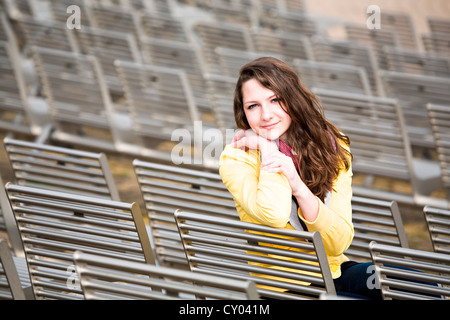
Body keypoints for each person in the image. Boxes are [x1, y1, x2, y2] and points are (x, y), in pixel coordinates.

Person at [219, 56, 379, 299]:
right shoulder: (237, 157)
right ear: (243, 111)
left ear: (292, 99)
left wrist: (298, 186)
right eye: (253, 106)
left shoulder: (331, 146)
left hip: (333, 270)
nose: (266, 115)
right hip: (286, 286)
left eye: (275, 100)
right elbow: (274, 215)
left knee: (409, 282)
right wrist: (269, 150)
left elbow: (338, 243)